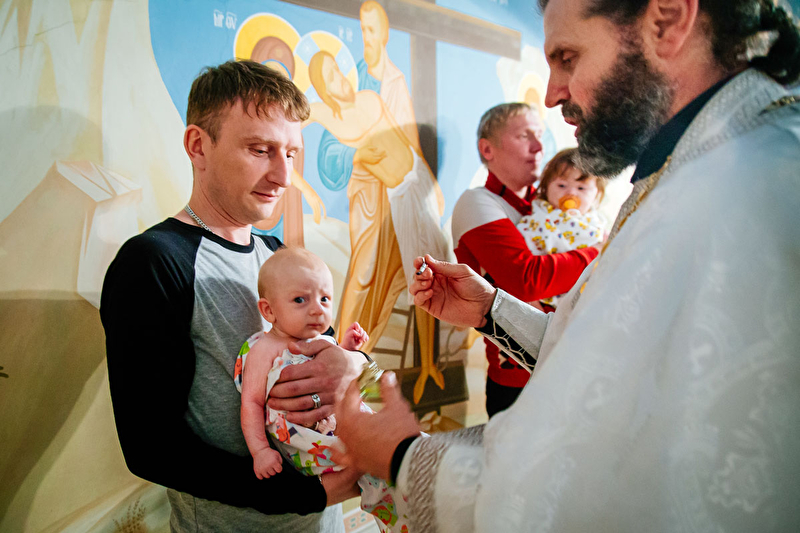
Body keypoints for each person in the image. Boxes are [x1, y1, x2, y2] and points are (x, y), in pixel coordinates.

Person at [329, 0, 800, 531]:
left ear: (667, 22)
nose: (553, 93)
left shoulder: (747, 187)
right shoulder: (694, 168)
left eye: (568, 58)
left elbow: (593, 487)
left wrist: (400, 456)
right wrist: (492, 310)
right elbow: (606, 359)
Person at [100, 60, 367, 532]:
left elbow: (326, 354)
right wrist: (310, 495)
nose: (283, 176)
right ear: (198, 146)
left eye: (291, 154)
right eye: (261, 150)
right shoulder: (154, 263)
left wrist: (354, 364)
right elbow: (151, 448)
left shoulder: (278, 254)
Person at [307, 50, 451, 402]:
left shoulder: (370, 98)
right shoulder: (328, 115)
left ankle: (428, 364)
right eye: (330, 77)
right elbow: (292, 120)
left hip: (416, 183)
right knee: (367, 274)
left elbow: (408, 140)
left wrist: (433, 185)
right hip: (393, 197)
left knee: (427, 275)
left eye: (338, 70)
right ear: (322, 90)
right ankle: (342, 359)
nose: (340, 79)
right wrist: (306, 188)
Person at [235, 247, 411, 531]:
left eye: (325, 298)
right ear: (269, 310)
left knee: (399, 465)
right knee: (385, 476)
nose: (317, 309)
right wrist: (260, 451)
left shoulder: (321, 340)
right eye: (300, 300)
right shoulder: (264, 349)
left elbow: (346, 379)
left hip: (352, 424)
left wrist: (349, 350)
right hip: (313, 443)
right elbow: (251, 403)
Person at [451, 102, 599, 416]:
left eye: (540, 135)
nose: (539, 147)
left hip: (572, 361)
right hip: (519, 375)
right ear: (487, 149)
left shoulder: (552, 204)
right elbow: (527, 279)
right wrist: (600, 252)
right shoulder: (478, 201)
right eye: (524, 136)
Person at [516, 147, 606, 308]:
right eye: (561, 185)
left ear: (597, 194)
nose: (571, 193)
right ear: (546, 187)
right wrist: (531, 302)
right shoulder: (538, 220)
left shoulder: (597, 224)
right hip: (545, 301)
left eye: (581, 188)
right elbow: (523, 269)